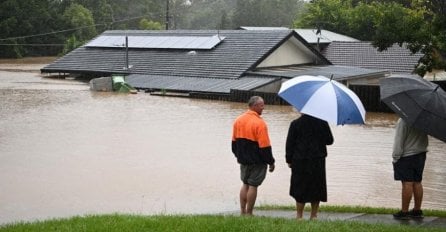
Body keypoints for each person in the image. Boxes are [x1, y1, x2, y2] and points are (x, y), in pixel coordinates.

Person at [231, 96, 275, 215]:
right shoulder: (260, 123)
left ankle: (242, 211)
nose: (263, 107)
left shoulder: (238, 120)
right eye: (261, 105)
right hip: (257, 161)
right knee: (253, 185)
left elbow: (233, 143)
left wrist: (238, 156)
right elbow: (265, 147)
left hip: (243, 160)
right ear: (254, 106)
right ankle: (249, 213)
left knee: (245, 184)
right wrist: (271, 162)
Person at [285, 114, 333, 220]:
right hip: (317, 160)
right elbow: (330, 141)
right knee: (317, 186)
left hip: (299, 160)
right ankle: (314, 215)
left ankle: (299, 216)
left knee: (299, 186)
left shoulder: (295, 124)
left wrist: (289, 160)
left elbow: (290, 144)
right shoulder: (322, 123)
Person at [392, 118, 428, 220]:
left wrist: (395, 157)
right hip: (421, 154)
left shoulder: (403, 121)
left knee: (407, 183)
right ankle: (417, 211)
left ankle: (404, 212)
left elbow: (399, 140)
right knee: (417, 182)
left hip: (407, 156)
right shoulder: (424, 120)